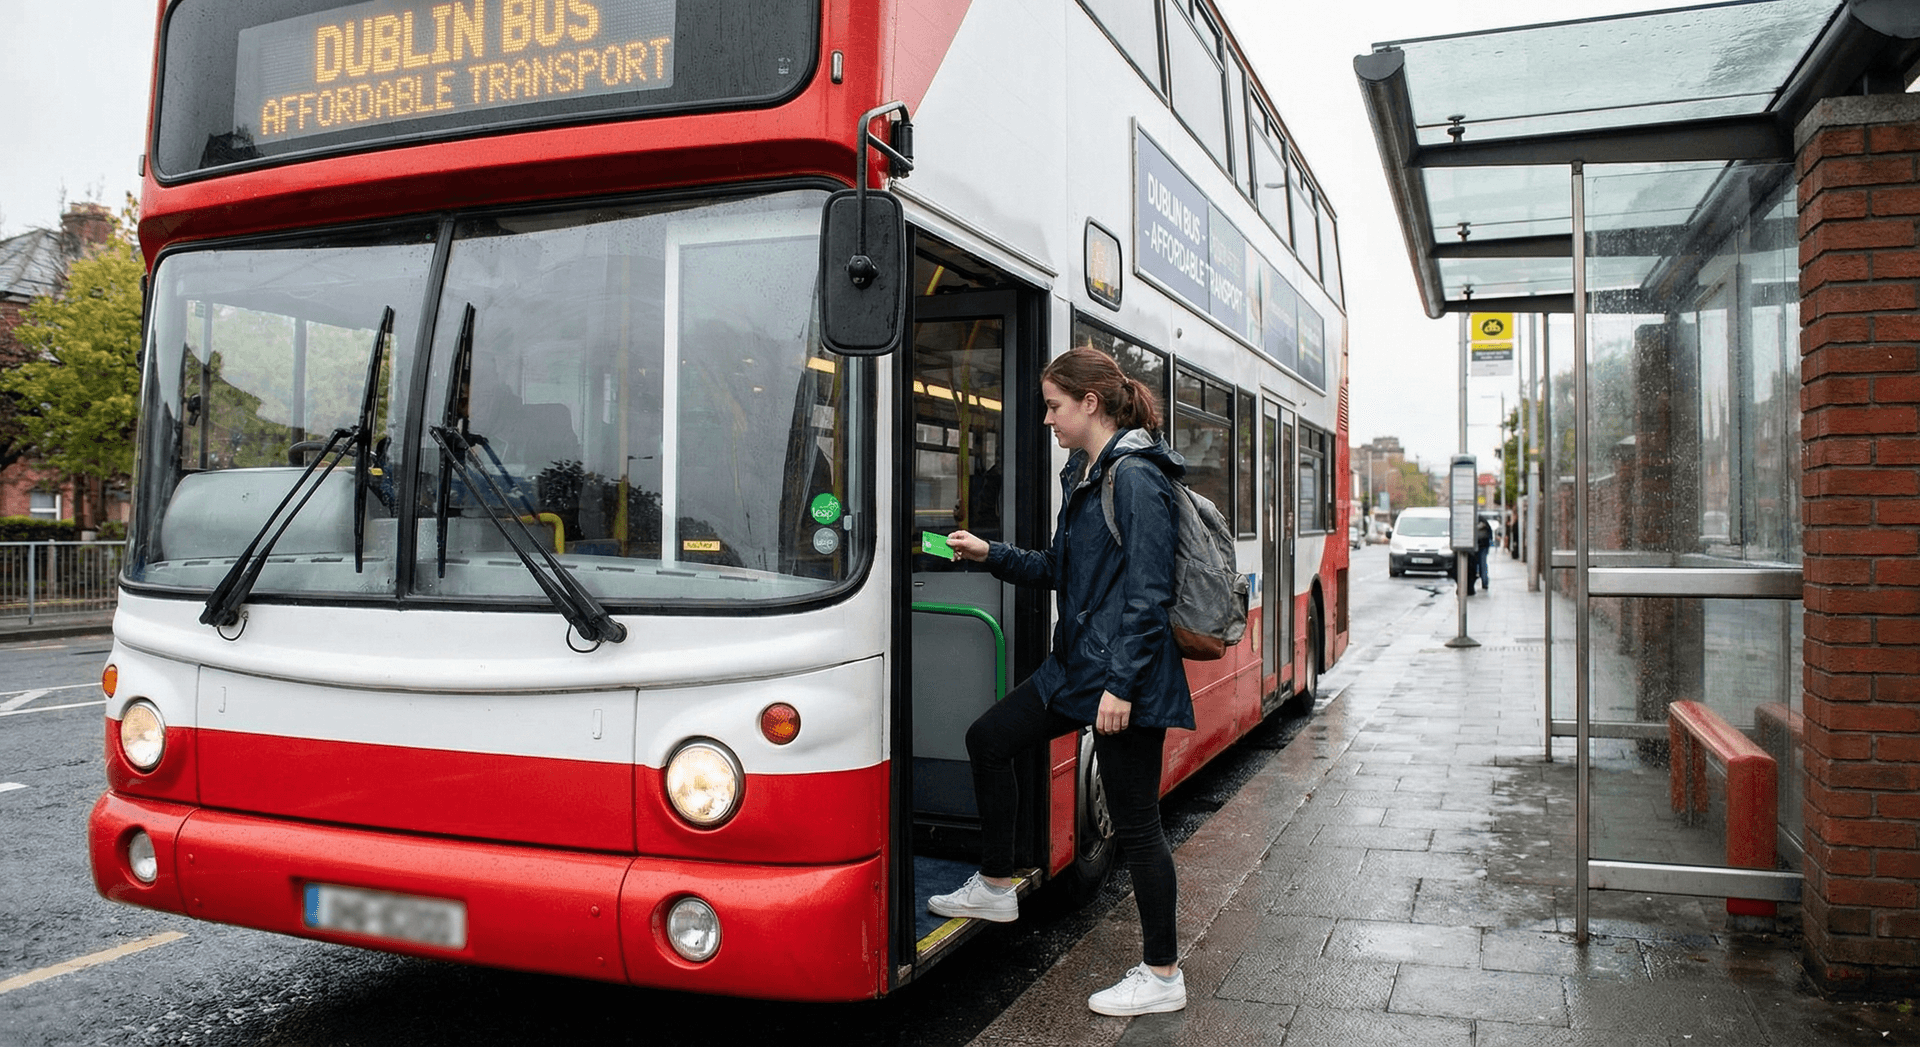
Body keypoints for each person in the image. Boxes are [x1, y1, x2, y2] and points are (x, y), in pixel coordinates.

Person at [935, 346, 1194, 1017]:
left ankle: (1163, 973)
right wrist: (991, 554)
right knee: (990, 738)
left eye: (1054, 405)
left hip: (1119, 678)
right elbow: (1061, 567)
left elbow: (1150, 591)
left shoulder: (1134, 475)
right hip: (1077, 666)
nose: (1047, 418)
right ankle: (995, 880)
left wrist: (1122, 686)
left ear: (1090, 402)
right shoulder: (1086, 472)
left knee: (1138, 827)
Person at [1471, 513, 1493, 594]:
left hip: (1478, 546)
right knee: (1483, 564)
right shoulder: (1482, 519)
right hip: (1484, 546)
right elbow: (1490, 532)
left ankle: (1482, 581)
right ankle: (1485, 582)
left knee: (1478, 564)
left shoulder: (1476, 519)